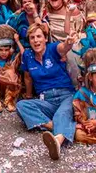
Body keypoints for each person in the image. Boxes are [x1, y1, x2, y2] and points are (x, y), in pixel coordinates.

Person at [16, 23, 79, 161]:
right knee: (21, 105)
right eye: (32, 37)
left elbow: (63, 48)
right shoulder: (27, 55)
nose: (36, 40)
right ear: (29, 41)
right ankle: (57, 126)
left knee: (63, 112)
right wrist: (28, 95)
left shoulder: (52, 48)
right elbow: (27, 77)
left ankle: (57, 141)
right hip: (46, 99)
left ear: (45, 38)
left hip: (66, 95)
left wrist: (68, 43)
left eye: (39, 36)